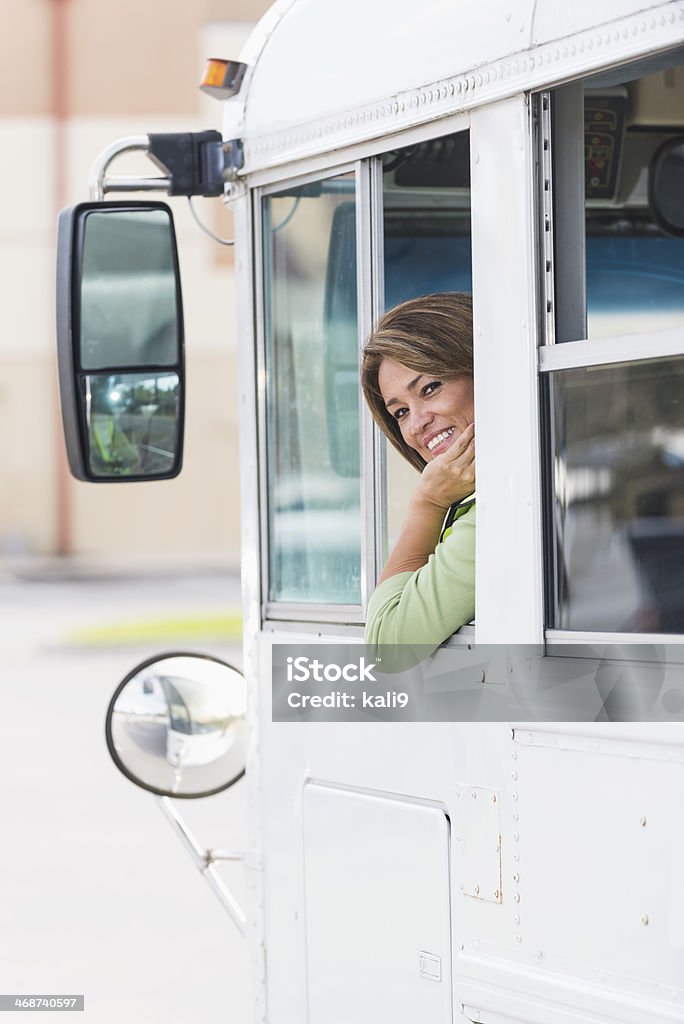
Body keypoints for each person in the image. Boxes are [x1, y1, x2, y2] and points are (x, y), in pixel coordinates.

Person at [361, 292, 476, 651]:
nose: (416, 425)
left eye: (430, 388)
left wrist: (427, 502)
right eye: (400, 412)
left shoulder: (506, 507)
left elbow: (385, 647)